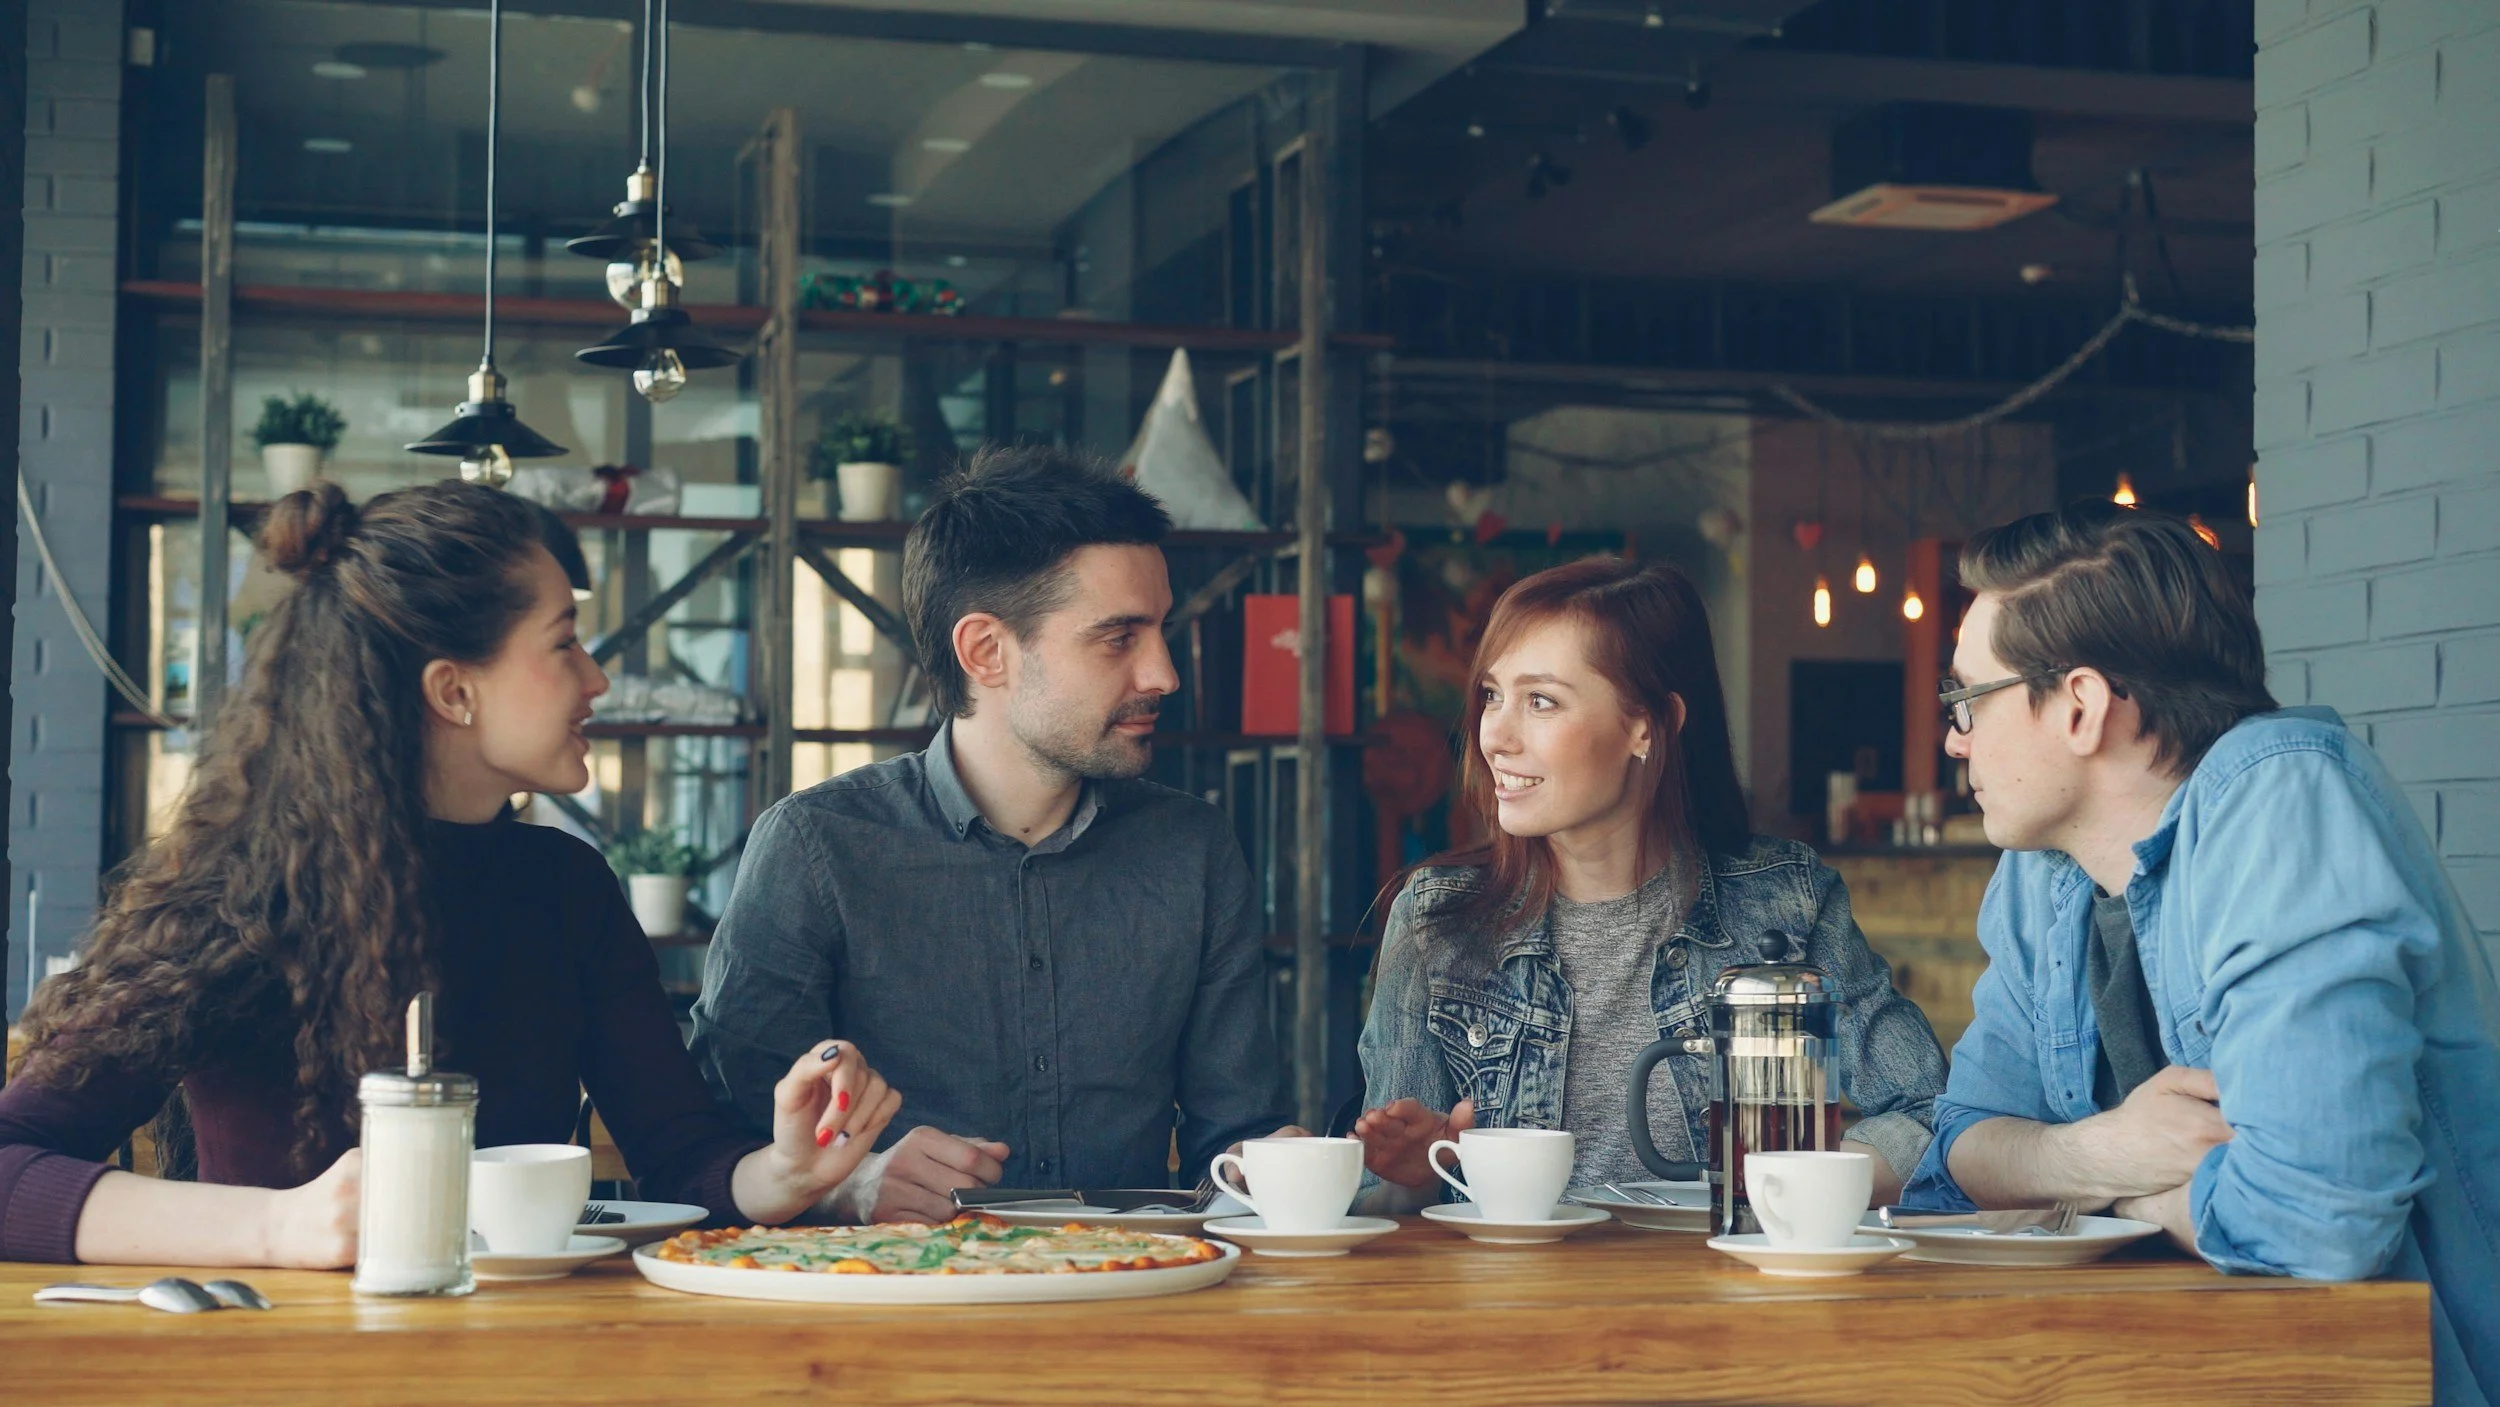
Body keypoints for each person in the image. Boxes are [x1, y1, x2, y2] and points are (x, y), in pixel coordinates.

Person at [0, 482, 896, 1268]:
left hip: (526, 1362)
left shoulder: (567, 885)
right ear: (454, 691)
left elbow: (682, 1155)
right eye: (565, 643)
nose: (599, 678)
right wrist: (282, 1228)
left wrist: (784, 1170)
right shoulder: (241, 894)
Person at [1900, 502, 2498, 1407]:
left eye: (1966, 699)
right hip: (2155, 1369)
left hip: (2375, 1380)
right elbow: (1957, 1158)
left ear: (2079, 705)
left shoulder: (2279, 800)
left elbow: (2317, 1221)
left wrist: (2103, 1196)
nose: (1954, 737)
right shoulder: (2038, 876)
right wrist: (2114, 1152)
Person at [691, 446, 1295, 1222]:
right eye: (1119, 637)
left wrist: (1277, 1166)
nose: (1164, 673)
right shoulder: (819, 848)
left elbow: (1235, 1137)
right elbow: (719, 1154)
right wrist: (854, 1184)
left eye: (1161, 630)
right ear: (986, 651)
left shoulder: (1193, 848)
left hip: (1132, 1298)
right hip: (885, 1309)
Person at [1352, 557, 1945, 1206]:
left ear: (1647, 726)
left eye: (1540, 701)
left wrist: (1790, 1192)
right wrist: (1416, 1169)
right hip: (1511, 1303)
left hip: (1730, 1294)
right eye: (1493, 694)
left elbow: (1930, 1113)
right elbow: (1383, 1201)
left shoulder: (1785, 901)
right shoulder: (1438, 921)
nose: (1495, 734)